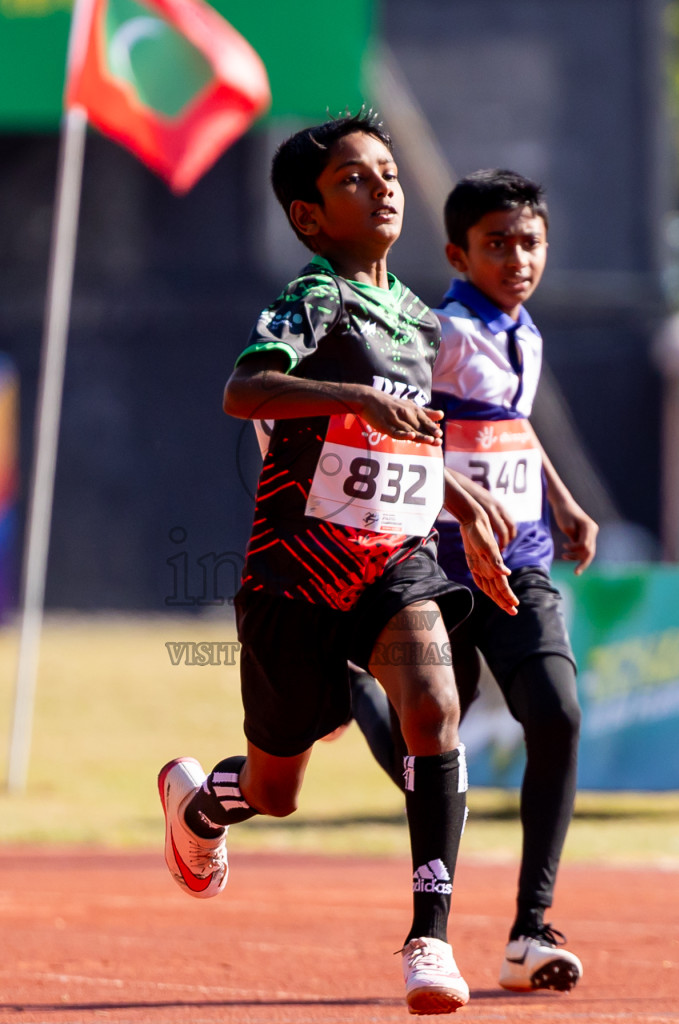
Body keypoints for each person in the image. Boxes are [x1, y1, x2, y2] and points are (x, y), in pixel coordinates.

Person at [156, 112, 518, 1016]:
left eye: (388, 173)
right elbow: (244, 390)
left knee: (433, 707)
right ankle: (200, 809)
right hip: (293, 572)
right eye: (356, 179)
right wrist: (352, 393)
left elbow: (404, 449)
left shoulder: (421, 322)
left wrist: (463, 504)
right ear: (311, 217)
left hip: (392, 561)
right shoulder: (314, 297)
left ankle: (429, 939)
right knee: (275, 790)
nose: (384, 187)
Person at [426, 169, 597, 992]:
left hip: (520, 564)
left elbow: (513, 424)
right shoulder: (442, 332)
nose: (516, 257)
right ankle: (362, 699)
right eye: (496, 244)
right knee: (433, 753)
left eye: (529, 242)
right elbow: (391, 426)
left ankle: (531, 929)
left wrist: (564, 502)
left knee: (558, 716)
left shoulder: (524, 333)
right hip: (436, 574)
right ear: (458, 253)